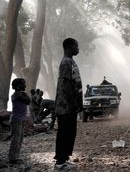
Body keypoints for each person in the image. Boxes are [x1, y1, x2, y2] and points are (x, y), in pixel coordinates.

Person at [54, 38, 83, 170]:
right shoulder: (66, 63)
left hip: (70, 105)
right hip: (65, 106)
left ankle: (65, 158)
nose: (78, 48)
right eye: (76, 46)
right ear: (69, 47)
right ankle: (59, 162)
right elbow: (66, 85)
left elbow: (75, 84)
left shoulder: (71, 62)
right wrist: (74, 103)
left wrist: (78, 102)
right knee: (64, 132)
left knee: (70, 132)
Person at [8, 78, 30, 164]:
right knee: (15, 139)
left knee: (19, 139)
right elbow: (27, 101)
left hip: (21, 119)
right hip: (16, 120)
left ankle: (15, 157)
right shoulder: (15, 95)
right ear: (18, 86)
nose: (24, 86)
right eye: (23, 84)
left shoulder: (21, 94)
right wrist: (24, 94)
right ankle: (12, 158)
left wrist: (24, 94)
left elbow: (28, 100)